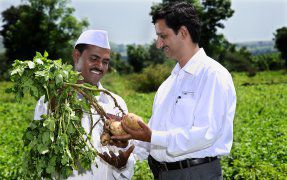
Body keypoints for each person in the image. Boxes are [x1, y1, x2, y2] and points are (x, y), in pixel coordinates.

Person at [107, 2, 237, 180]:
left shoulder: (212, 75)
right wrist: (126, 140)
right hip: (163, 174)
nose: (158, 44)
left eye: (163, 36)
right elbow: (153, 137)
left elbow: (206, 133)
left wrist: (153, 136)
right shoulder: (168, 84)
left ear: (183, 32)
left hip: (196, 173)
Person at [34, 30, 135, 180]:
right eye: (94, 59)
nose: (100, 66)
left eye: (105, 62)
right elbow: (41, 152)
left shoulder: (116, 103)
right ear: (77, 56)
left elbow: (127, 151)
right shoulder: (50, 100)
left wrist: (123, 164)